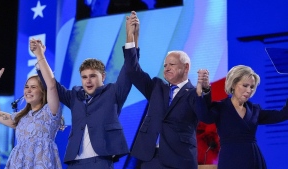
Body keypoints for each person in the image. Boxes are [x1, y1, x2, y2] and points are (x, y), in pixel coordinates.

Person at [33, 12, 139, 169]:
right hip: (75, 162)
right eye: (84, 77)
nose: (87, 80)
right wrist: (40, 57)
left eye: (92, 76)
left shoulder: (113, 92)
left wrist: (130, 37)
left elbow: (129, 69)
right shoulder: (75, 95)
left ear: (103, 76)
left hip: (101, 161)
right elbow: (52, 84)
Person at [124, 11, 212, 169]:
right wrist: (131, 38)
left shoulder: (193, 93)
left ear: (186, 67)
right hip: (150, 159)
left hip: (179, 159)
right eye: (165, 65)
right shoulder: (157, 87)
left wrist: (204, 90)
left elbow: (205, 114)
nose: (166, 68)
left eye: (171, 64)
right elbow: (132, 71)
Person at [196, 65, 288, 169]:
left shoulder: (255, 109)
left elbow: (283, 114)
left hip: (253, 160)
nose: (249, 90)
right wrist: (205, 90)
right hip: (230, 160)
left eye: (252, 87)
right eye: (245, 85)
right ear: (234, 84)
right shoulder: (220, 107)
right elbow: (204, 116)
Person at [0, 46, 62, 168]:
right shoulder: (20, 117)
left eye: (33, 87)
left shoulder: (50, 112)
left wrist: (40, 55)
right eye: (26, 87)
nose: (28, 90)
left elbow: (51, 85)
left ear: (43, 92)